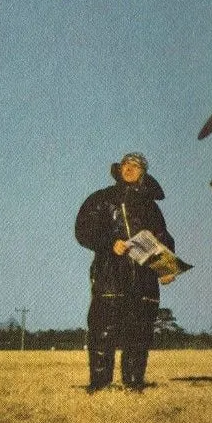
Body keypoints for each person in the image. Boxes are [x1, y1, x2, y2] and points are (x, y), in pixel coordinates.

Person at [74, 152, 174, 392]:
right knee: (103, 331)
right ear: (119, 169)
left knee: (140, 333)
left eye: (136, 166)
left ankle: (134, 384)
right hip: (110, 275)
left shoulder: (151, 207)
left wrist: (166, 269)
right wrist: (109, 243)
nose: (129, 168)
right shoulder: (101, 199)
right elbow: (83, 230)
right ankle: (100, 385)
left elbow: (163, 239)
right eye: (126, 164)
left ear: (143, 173)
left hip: (144, 278)